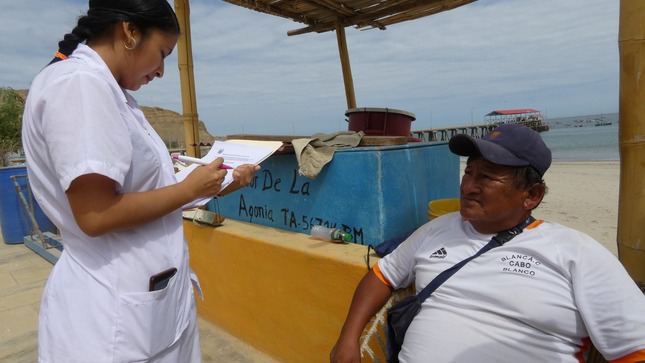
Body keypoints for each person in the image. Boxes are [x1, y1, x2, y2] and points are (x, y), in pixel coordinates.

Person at [21, 1, 259, 361]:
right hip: (110, 319)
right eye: (162, 53)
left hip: (144, 308)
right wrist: (188, 189)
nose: (162, 71)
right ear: (130, 32)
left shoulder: (110, 93)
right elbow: (96, 214)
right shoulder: (79, 86)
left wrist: (218, 185)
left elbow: (146, 191)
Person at [330, 124, 645, 363]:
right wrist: (348, 338)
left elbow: (634, 348)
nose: (468, 187)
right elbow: (383, 275)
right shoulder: (438, 229)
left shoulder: (576, 252)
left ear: (532, 196)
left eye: (488, 177)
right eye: (469, 172)